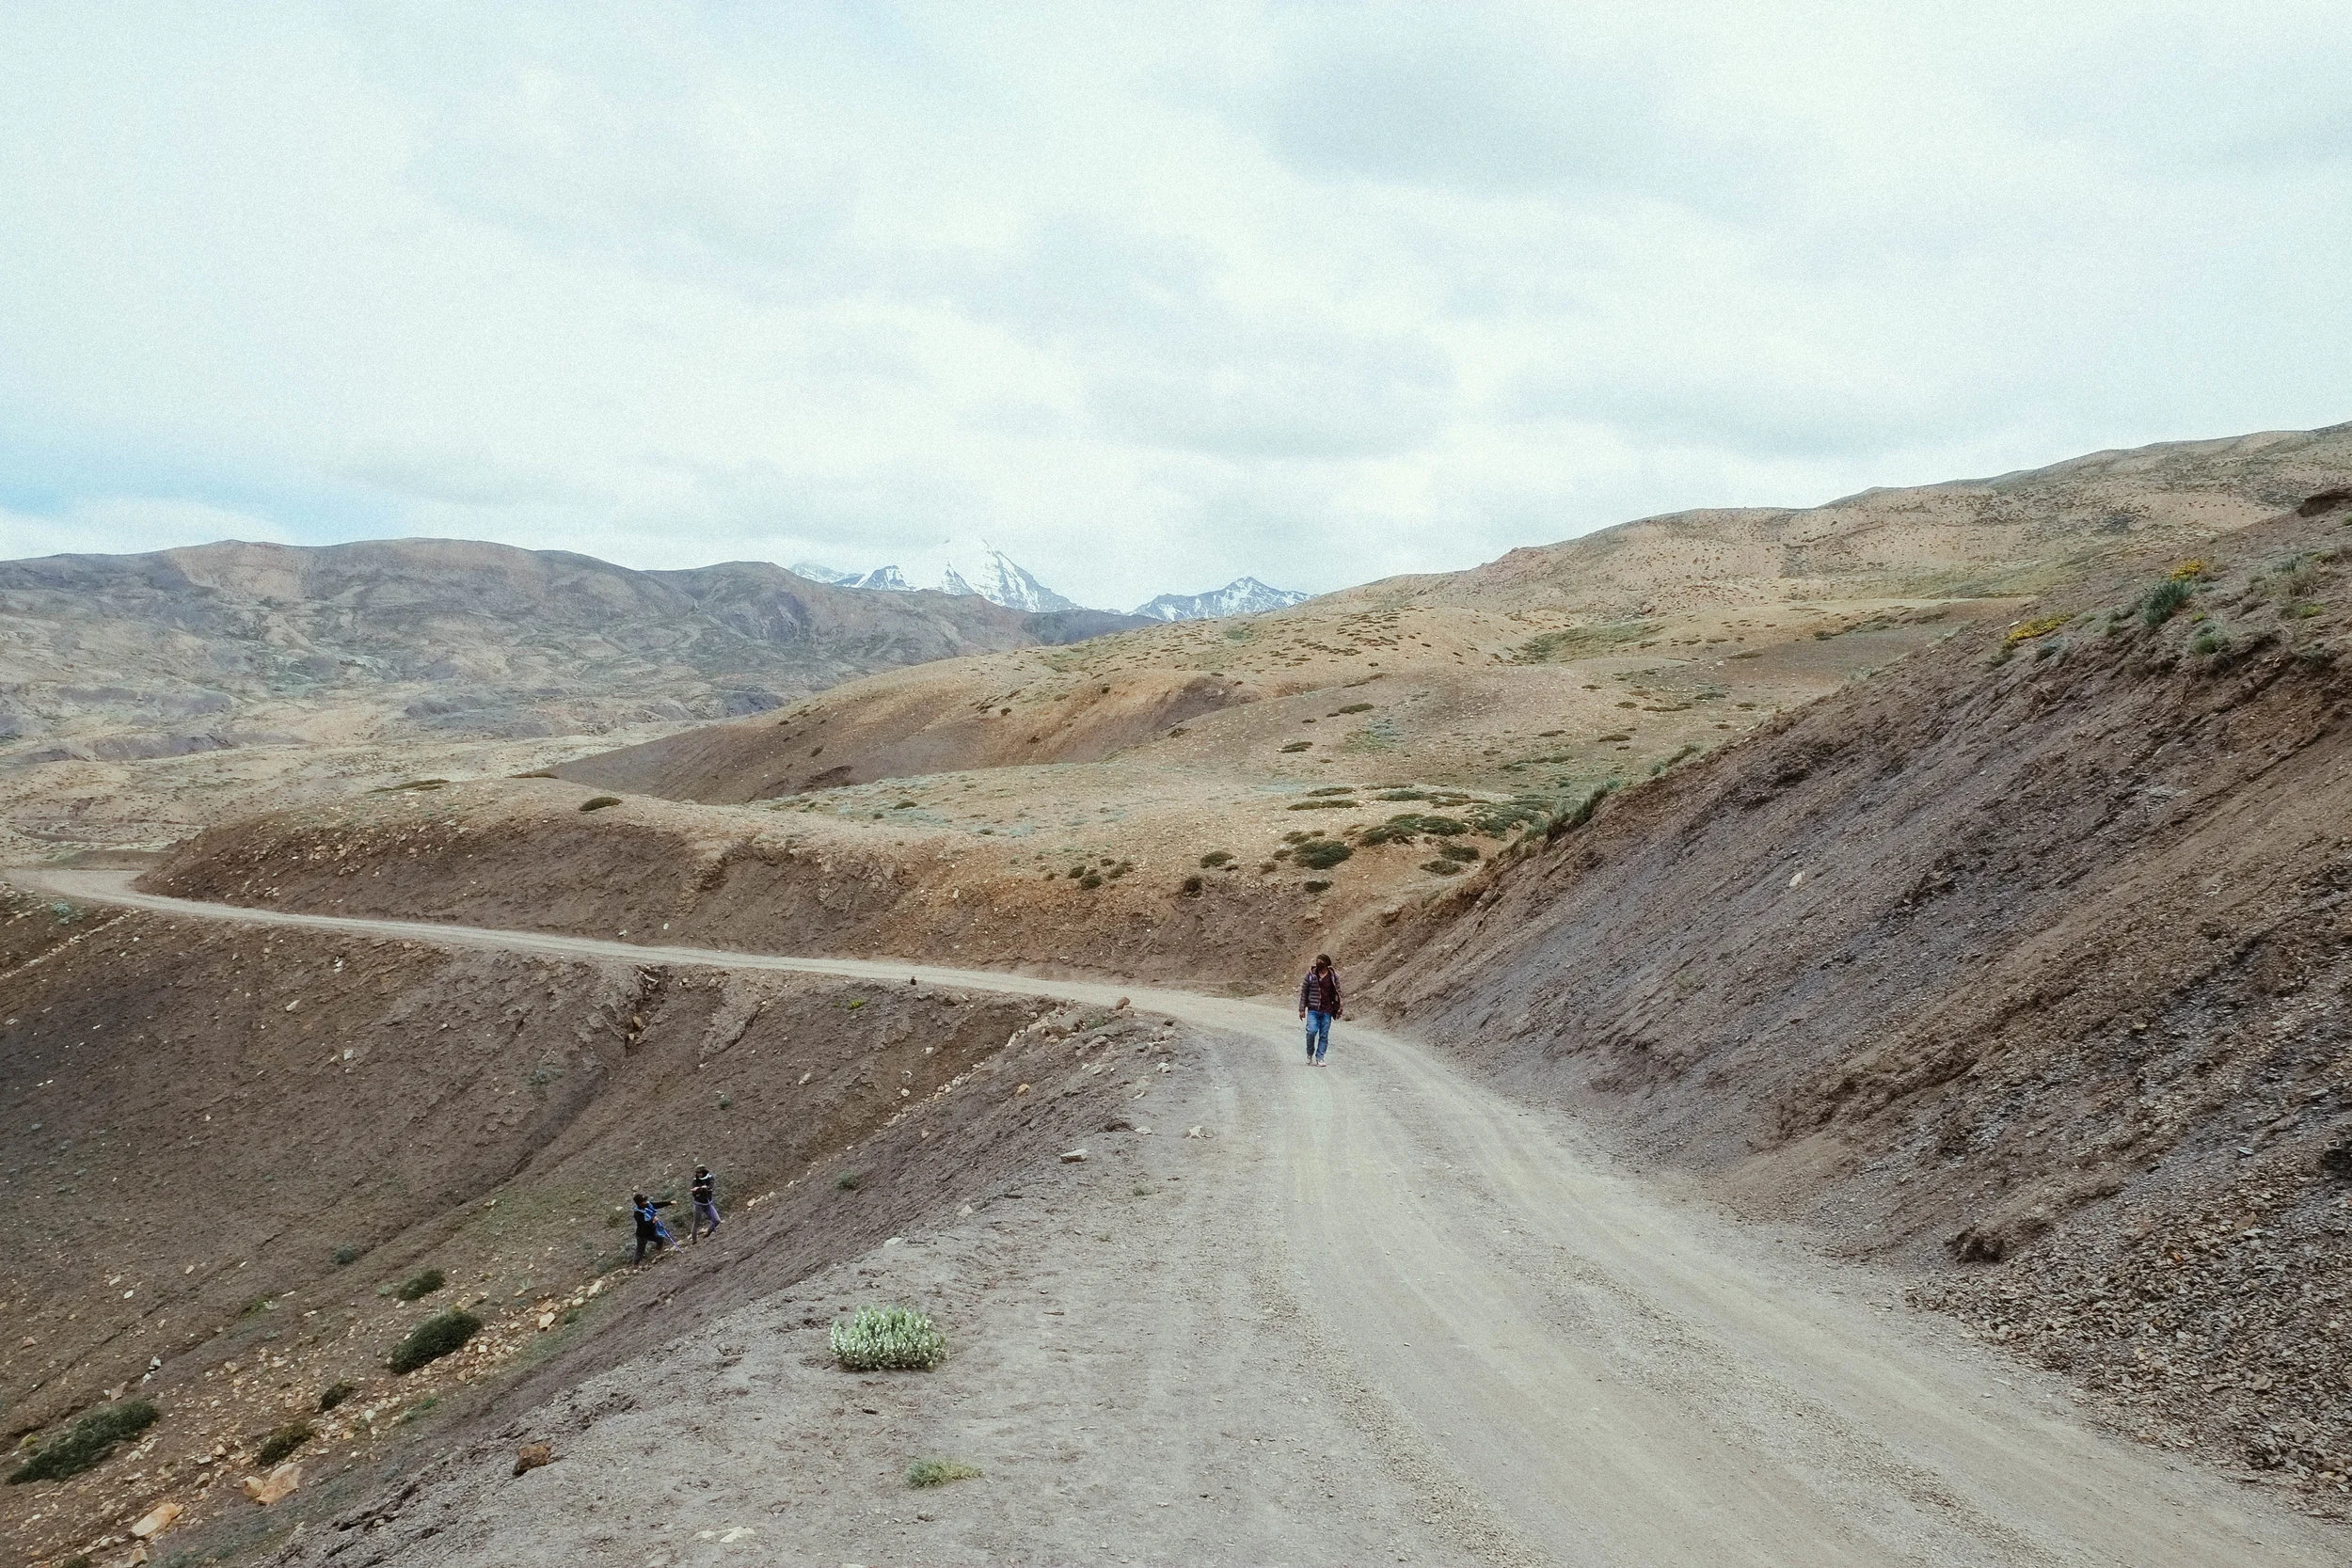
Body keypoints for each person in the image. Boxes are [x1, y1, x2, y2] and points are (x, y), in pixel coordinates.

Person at [1298, 953, 1342, 1066]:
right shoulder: (1311, 975)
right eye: (1317, 960)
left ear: (1327, 964)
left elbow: (1338, 993)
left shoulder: (1333, 976)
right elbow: (1304, 992)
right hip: (1313, 1009)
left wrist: (1338, 1008)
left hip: (1327, 1010)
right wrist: (1302, 1009)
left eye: (1321, 961)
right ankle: (1309, 1053)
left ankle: (1320, 1057)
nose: (1319, 963)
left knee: (1324, 1035)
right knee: (1311, 1032)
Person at [631, 1192, 675, 1265]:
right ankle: (635, 1266)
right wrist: (653, 1221)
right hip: (642, 1235)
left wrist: (670, 1202)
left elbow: (658, 1204)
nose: (646, 1202)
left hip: (651, 1232)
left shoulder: (648, 1205)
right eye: (644, 1201)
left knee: (660, 1239)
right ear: (640, 1203)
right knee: (640, 1251)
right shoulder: (637, 1213)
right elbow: (643, 1225)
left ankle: (659, 1255)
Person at [690, 1165, 722, 1241]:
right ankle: (694, 1240)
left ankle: (708, 1232)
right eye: (697, 1173)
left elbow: (711, 1186)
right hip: (698, 1204)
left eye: (700, 1172)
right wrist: (700, 1190)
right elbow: (694, 1193)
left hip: (708, 1203)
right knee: (696, 1222)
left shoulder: (710, 1178)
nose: (698, 1174)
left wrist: (705, 1188)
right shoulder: (695, 1180)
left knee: (717, 1220)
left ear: (703, 1172)